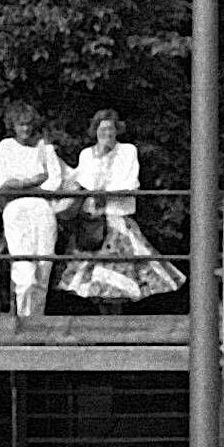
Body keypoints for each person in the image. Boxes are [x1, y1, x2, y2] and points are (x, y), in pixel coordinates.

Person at [56, 111, 186, 309]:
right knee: (93, 283)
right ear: (95, 131)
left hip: (118, 219)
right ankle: (104, 328)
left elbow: (127, 183)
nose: (107, 133)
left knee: (120, 282)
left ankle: (118, 326)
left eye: (111, 128)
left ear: (117, 131)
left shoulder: (127, 151)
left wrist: (101, 188)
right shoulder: (87, 155)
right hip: (93, 223)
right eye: (102, 128)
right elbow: (81, 182)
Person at [0, 104, 65, 319]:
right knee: (25, 272)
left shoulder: (44, 147)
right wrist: (32, 181)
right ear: (13, 126)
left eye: (28, 125)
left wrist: (23, 184)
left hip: (42, 208)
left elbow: (55, 181)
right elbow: (3, 182)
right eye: (20, 125)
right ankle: (23, 322)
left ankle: (37, 322)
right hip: (16, 209)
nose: (25, 129)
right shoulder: (5, 146)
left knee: (44, 266)